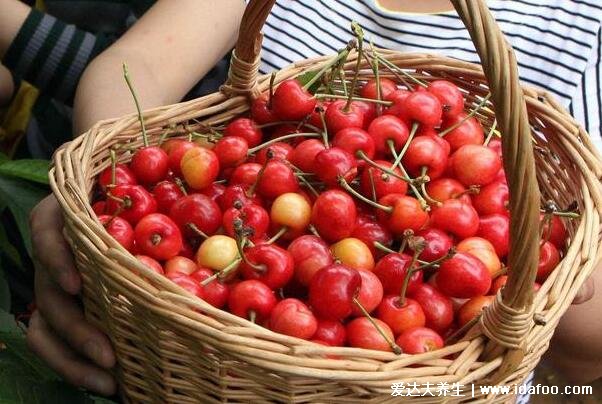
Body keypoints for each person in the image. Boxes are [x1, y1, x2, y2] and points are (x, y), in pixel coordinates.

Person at [18, 0, 602, 398]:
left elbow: (585, 359)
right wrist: (101, 199)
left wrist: (558, 279)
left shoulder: (583, 28)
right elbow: (132, 64)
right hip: (216, 357)